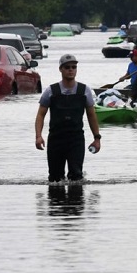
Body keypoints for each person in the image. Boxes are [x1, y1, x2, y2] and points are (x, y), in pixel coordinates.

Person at [35, 54, 102, 183]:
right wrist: (38, 136)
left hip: (76, 139)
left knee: (76, 176)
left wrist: (97, 138)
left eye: (74, 67)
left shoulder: (85, 91)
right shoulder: (51, 91)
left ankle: (76, 202)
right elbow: (40, 115)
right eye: (67, 67)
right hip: (56, 139)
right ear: (60, 69)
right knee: (55, 178)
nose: (71, 70)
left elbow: (91, 115)